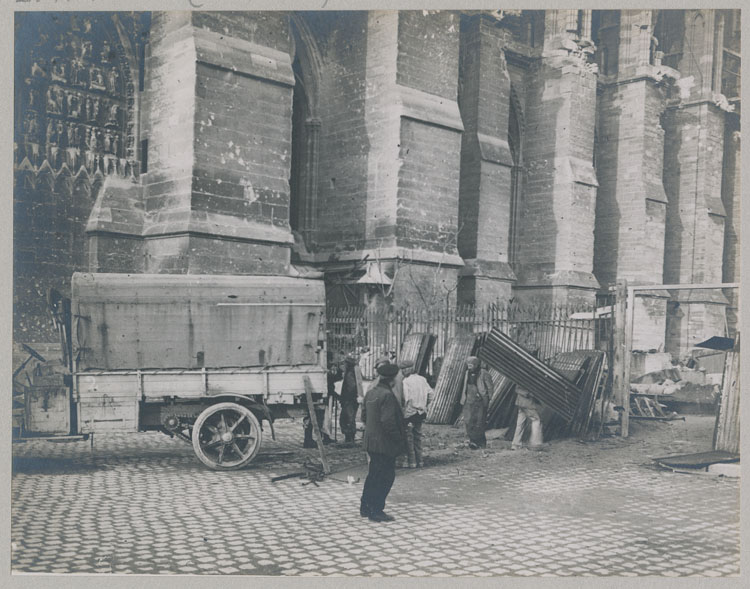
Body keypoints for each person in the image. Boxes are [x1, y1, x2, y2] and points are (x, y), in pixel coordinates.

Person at [360, 362, 407, 522]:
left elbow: (363, 416)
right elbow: (388, 422)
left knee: (373, 475)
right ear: (393, 380)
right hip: (384, 443)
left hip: (371, 441)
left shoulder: (372, 392)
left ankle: (365, 507)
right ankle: (376, 510)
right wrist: (398, 440)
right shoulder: (387, 395)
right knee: (386, 477)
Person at [400, 359, 434, 468]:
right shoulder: (422, 379)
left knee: (409, 437)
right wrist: (424, 405)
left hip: (410, 412)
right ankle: (420, 461)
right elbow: (431, 394)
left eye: (403, 369)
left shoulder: (406, 382)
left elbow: (406, 398)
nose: (402, 372)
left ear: (407, 369)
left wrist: (404, 410)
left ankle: (412, 461)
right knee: (418, 436)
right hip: (420, 412)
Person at [461, 356, 493, 449]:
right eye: (468, 365)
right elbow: (465, 386)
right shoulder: (467, 373)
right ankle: (472, 442)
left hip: (480, 401)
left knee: (479, 422)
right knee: (468, 421)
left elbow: (490, 387)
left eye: (471, 365)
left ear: (476, 364)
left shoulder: (483, 373)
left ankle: (481, 443)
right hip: (469, 400)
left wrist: (487, 399)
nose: (469, 367)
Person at [512, 385, 544, 450]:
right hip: (527, 403)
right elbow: (518, 389)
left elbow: (517, 389)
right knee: (536, 420)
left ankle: (515, 444)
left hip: (520, 403)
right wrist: (529, 394)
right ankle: (535, 443)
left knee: (520, 424)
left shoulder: (521, 377)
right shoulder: (531, 377)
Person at [339, 353, 360, 444]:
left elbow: (352, 387)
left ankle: (349, 438)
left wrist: (346, 398)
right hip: (350, 400)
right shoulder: (351, 372)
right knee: (348, 418)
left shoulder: (350, 374)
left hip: (349, 400)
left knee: (347, 418)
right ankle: (349, 437)